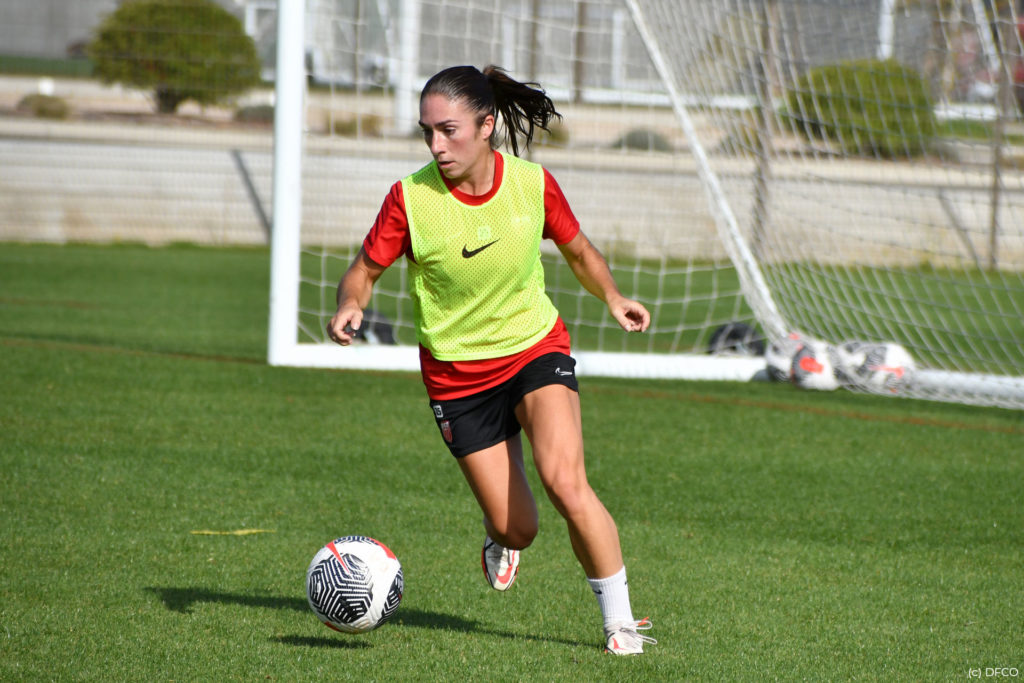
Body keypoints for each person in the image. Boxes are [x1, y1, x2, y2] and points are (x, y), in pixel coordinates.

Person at [326, 64, 655, 655]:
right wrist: (352, 303)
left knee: (566, 482)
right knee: (518, 528)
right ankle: (498, 537)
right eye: (427, 132)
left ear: (486, 125)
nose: (436, 145)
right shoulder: (410, 199)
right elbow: (364, 270)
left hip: (534, 348)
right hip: (457, 377)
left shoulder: (532, 185)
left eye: (448, 130)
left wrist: (613, 296)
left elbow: (579, 250)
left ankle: (621, 624)